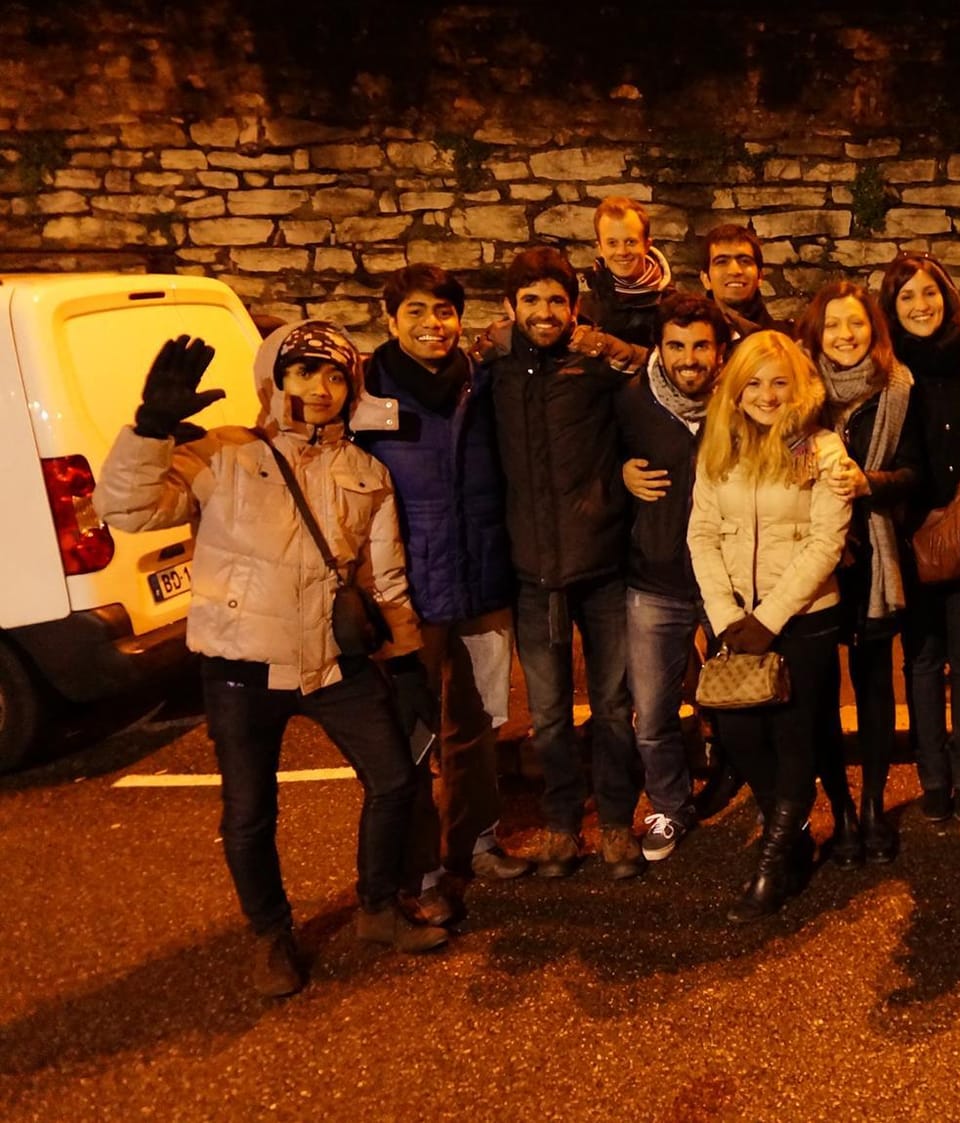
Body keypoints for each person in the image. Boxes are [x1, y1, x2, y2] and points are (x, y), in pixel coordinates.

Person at [99, 324, 447, 999]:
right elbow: (126, 507)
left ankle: (377, 907)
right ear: (274, 378)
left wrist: (406, 665)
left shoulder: (364, 471)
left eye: (335, 375)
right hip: (241, 667)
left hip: (333, 663)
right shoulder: (223, 454)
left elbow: (385, 579)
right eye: (303, 372)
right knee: (249, 813)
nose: (319, 389)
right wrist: (149, 428)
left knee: (395, 779)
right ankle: (269, 934)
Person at [351, 265, 526, 927]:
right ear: (391, 319)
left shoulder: (483, 383)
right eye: (418, 311)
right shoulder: (364, 392)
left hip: (482, 577)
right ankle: (420, 870)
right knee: (414, 735)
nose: (433, 324)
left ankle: (476, 841)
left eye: (445, 311)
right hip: (405, 592)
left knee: (478, 725)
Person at [484, 247, 651, 878]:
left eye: (556, 300)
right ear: (511, 307)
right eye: (531, 300)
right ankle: (559, 825)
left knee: (611, 707)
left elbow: (653, 372)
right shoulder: (494, 372)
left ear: (574, 308)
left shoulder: (596, 365)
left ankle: (613, 823)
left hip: (603, 566)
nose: (544, 311)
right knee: (549, 717)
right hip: (532, 576)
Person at [686, 331, 855, 921]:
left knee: (793, 741)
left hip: (804, 619)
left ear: (799, 386)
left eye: (779, 382)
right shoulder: (719, 448)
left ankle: (774, 863)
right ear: (735, 389)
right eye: (754, 382)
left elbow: (824, 542)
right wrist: (728, 616)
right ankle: (795, 831)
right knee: (738, 735)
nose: (766, 394)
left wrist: (771, 617)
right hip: (736, 622)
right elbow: (701, 534)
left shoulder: (823, 450)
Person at [797, 281, 924, 865]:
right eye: (833, 326)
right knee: (819, 691)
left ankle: (873, 805)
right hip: (811, 555)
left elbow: (916, 471)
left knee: (875, 685)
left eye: (856, 325)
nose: (845, 336)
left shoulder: (898, 386)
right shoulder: (796, 388)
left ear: (874, 330)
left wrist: (871, 483)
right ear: (816, 332)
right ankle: (840, 811)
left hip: (874, 556)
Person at [615, 293, 733, 864]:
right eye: (676, 345)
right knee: (654, 710)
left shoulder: (741, 402)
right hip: (654, 580)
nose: (689, 358)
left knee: (748, 697)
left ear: (720, 348)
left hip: (728, 579)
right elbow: (593, 461)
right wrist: (619, 474)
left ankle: (759, 791)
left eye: (700, 346)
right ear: (659, 347)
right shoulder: (632, 402)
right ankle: (669, 803)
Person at [881, 252, 960, 825]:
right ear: (891, 308)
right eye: (906, 297)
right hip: (907, 533)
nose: (920, 305)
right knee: (922, 662)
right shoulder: (887, 365)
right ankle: (933, 776)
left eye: (929, 292)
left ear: (947, 294)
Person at [579, 196, 675, 349]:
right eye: (612, 243)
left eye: (630, 242)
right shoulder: (584, 310)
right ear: (600, 248)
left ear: (646, 245)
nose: (622, 252)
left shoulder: (671, 307)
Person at [702, 223, 791, 340]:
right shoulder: (686, 340)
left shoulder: (787, 342)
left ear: (760, 276)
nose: (735, 271)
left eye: (744, 261)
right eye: (721, 262)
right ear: (706, 279)